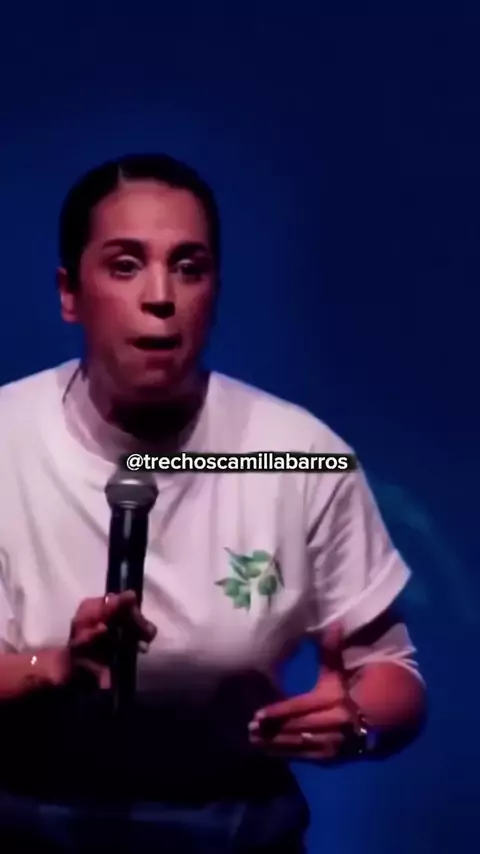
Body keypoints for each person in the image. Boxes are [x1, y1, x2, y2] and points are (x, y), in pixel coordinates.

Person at [0, 153, 426, 853]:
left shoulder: (298, 454)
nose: (161, 296)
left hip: (235, 831)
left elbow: (394, 677)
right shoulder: (6, 440)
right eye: (126, 265)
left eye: (189, 267)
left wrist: (355, 723)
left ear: (216, 291)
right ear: (69, 292)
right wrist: (52, 669)